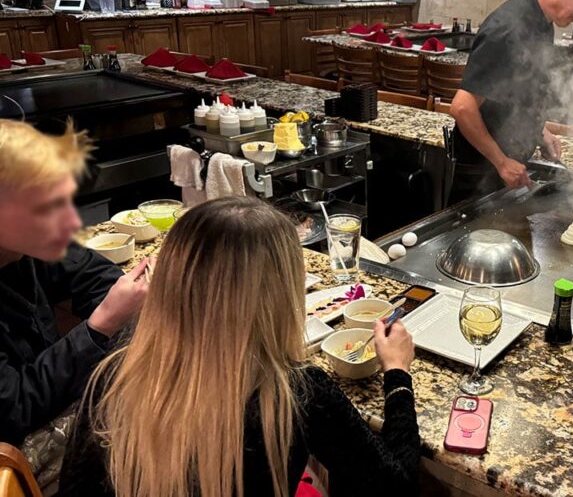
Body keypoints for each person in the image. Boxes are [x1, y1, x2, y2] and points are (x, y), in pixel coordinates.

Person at [60, 197, 420, 497]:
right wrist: (398, 375)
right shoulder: (294, 393)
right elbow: (397, 488)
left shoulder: (113, 375)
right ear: (281, 296)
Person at [0, 120, 148, 445]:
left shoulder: (22, 247)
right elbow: (13, 411)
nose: (70, 221)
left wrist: (131, 300)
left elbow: (88, 272)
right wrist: (100, 326)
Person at [450, 0, 573, 198]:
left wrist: (539, 132)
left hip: (508, 168)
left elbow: (515, 96)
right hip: (481, 173)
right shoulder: (507, 30)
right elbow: (462, 108)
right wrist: (502, 162)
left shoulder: (543, 22)